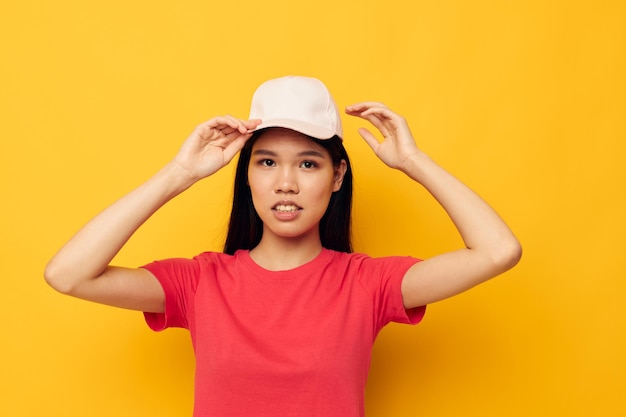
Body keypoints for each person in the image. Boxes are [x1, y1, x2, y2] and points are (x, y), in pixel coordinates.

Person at [44, 75, 522, 417]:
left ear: (337, 176)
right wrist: (179, 174)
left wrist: (413, 161)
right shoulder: (200, 282)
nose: (286, 183)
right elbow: (68, 274)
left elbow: (497, 251)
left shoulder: (366, 283)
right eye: (267, 162)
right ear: (247, 175)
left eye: (309, 164)